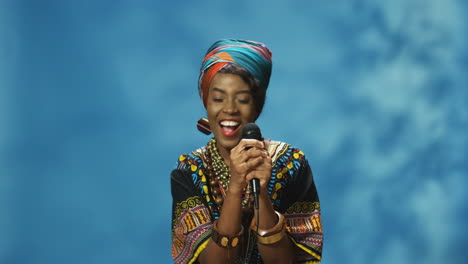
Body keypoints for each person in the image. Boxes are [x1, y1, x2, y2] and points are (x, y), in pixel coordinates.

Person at [171, 39, 323, 264]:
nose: (230, 109)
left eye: (242, 99)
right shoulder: (190, 169)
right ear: (206, 102)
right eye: (218, 98)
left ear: (257, 106)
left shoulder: (292, 163)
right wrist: (235, 187)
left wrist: (261, 192)